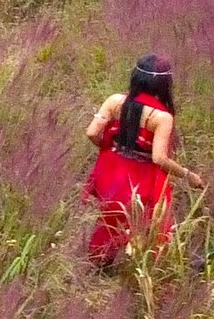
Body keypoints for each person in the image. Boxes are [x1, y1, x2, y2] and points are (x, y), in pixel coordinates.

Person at [83, 53, 202, 269]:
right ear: (164, 84)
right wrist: (188, 175)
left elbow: (91, 133)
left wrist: (110, 150)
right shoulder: (161, 117)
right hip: (142, 178)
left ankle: (100, 263)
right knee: (151, 223)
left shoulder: (114, 101)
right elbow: (159, 158)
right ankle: (147, 267)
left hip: (111, 169)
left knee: (112, 218)